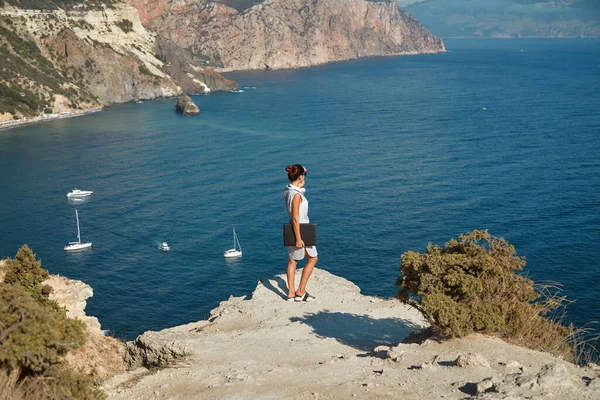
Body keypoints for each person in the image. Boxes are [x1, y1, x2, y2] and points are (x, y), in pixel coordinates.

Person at [284, 164, 318, 302]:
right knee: (313, 258)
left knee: (293, 261)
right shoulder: (297, 195)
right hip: (301, 229)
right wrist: (299, 238)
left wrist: (302, 172)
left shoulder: (287, 190)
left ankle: (291, 293)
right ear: (300, 177)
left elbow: (292, 217)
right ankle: (300, 291)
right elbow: (295, 217)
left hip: (292, 228)